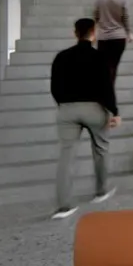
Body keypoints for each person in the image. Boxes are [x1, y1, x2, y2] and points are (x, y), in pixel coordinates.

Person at [49, 17, 119, 219]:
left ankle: (64, 206)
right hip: (94, 108)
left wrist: (64, 105)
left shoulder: (61, 57)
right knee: (101, 149)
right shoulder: (100, 57)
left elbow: (54, 87)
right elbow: (107, 87)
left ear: (75, 33)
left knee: (66, 155)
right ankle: (101, 190)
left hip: (67, 110)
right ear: (94, 33)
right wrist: (115, 111)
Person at [93, 0, 133, 84]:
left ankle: (103, 91)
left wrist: (95, 31)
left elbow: (96, 16)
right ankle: (109, 91)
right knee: (113, 65)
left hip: (103, 37)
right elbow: (125, 17)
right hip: (118, 37)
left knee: (104, 66)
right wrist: (129, 33)